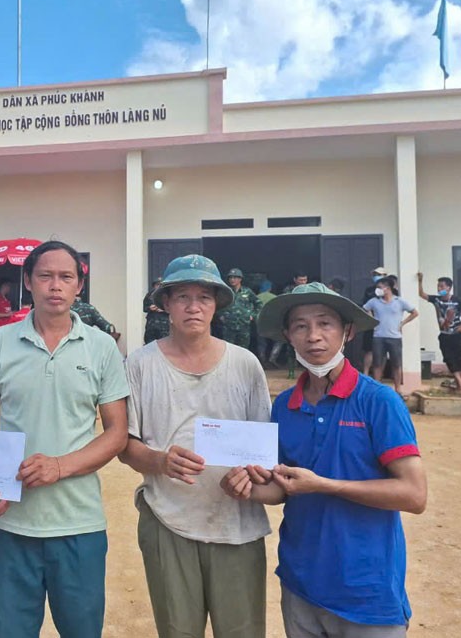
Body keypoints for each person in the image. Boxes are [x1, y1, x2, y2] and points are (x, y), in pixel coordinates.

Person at [224, 283, 427, 637]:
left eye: (325, 324)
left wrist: (325, 485)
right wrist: (245, 488)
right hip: (301, 585)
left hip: (367, 594)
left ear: (347, 332)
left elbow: (414, 494)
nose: (313, 336)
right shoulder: (284, 406)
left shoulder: (378, 401)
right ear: (288, 335)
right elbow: (281, 489)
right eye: (300, 326)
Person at [0, 240, 129, 638]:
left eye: (65, 277)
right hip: (12, 527)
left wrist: (59, 467)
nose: (55, 286)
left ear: (78, 286)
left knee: (82, 631)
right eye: (45, 276)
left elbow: (117, 433)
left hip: (79, 524)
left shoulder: (102, 347)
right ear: (28, 281)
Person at [121, 255, 271, 638]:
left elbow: (263, 450)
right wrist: (159, 461)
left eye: (204, 296)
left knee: (242, 631)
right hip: (167, 519)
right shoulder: (139, 365)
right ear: (164, 304)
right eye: (182, 296)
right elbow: (125, 444)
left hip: (236, 522)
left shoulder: (245, 365)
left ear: (217, 304)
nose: (193, 306)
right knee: (177, 631)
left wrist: (249, 473)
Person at [417, 273, 461, 392]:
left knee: (458, 358)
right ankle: (459, 382)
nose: (439, 289)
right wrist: (420, 281)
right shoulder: (436, 299)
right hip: (445, 334)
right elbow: (421, 294)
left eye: (441, 286)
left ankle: (458, 381)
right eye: (438, 286)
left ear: (448, 288)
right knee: (448, 358)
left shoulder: (457, 300)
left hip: (457, 334)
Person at [363, 275, 418, 394]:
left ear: (387, 288)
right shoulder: (374, 301)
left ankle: (398, 388)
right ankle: (377, 387)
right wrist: (371, 319)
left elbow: (414, 312)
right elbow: (365, 308)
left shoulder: (399, 301)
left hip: (395, 337)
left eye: (380, 287)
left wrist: (402, 323)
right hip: (378, 336)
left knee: (396, 364)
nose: (377, 290)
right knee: (377, 364)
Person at [217, 267, 261, 350]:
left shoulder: (247, 291)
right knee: (228, 350)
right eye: (230, 277)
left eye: (235, 277)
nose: (232, 280)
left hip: (243, 326)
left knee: (243, 350)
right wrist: (221, 315)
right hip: (228, 326)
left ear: (240, 279)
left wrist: (253, 315)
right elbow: (218, 304)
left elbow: (258, 304)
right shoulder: (226, 291)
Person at [361, 267, 389, 375]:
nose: (376, 276)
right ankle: (366, 373)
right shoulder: (369, 290)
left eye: (379, 274)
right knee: (369, 350)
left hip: (385, 325)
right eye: (375, 274)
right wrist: (372, 320)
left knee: (383, 352)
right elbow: (365, 306)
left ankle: (379, 375)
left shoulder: (391, 291)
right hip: (371, 324)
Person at [143, 277, 170, 343]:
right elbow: (144, 308)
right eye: (157, 285)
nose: (158, 287)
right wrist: (150, 308)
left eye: (160, 285)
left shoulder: (168, 295)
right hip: (151, 325)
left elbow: (173, 309)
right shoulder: (149, 295)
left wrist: (163, 310)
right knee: (149, 344)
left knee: (164, 344)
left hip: (164, 325)